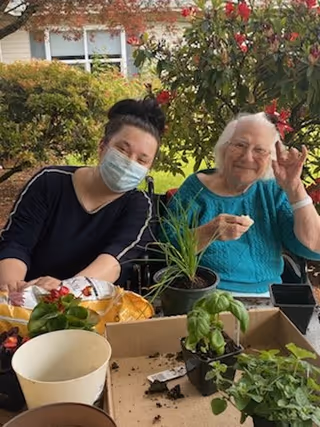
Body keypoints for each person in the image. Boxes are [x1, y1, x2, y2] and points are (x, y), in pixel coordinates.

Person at [0, 97, 165, 294]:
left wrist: (62, 292)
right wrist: (13, 290)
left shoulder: (139, 206)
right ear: (102, 146)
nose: (130, 162)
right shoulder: (49, 182)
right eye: (122, 149)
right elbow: (17, 243)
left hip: (88, 306)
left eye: (142, 160)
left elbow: (113, 262)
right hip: (25, 296)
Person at [164, 112, 320, 294]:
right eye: (240, 145)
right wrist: (208, 232)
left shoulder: (272, 191)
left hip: (268, 297)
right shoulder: (196, 189)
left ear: (271, 158)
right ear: (224, 148)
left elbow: (314, 246)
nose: (247, 157)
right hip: (208, 294)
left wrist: (295, 189)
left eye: (260, 150)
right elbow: (166, 250)